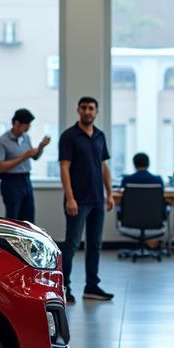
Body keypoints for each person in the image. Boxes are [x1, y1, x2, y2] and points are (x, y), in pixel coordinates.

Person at [59, 96, 115, 303]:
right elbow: (64, 167)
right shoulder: (69, 136)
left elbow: (104, 166)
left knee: (95, 245)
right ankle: (64, 288)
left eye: (91, 108)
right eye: (84, 108)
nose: (87, 111)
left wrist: (109, 193)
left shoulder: (100, 136)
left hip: (97, 200)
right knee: (71, 244)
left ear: (96, 111)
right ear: (78, 110)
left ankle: (92, 286)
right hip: (78, 201)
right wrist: (70, 198)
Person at [0, 108, 50, 224]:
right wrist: (23, 157)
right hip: (11, 182)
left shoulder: (26, 137)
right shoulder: (2, 141)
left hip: (26, 180)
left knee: (28, 219)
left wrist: (41, 147)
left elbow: (34, 157)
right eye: (27, 125)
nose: (29, 128)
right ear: (17, 123)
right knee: (13, 219)